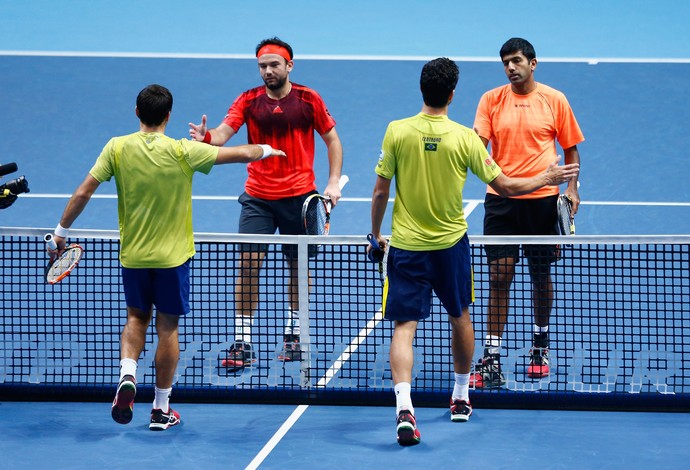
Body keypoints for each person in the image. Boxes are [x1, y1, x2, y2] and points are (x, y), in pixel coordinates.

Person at [48, 84, 285, 431]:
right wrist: (267, 148)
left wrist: (60, 231)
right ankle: (160, 408)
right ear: (168, 116)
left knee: (136, 319)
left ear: (136, 112)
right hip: (173, 259)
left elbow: (84, 190)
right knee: (167, 328)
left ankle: (128, 375)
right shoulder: (182, 151)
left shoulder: (117, 147)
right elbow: (241, 154)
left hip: (135, 256)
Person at [369, 58, 579, 446]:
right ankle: (461, 396)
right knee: (460, 317)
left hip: (406, 247)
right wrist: (549, 177)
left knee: (404, 328)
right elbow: (509, 187)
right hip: (450, 247)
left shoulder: (396, 131)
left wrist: (375, 234)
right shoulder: (465, 139)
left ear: (422, 89)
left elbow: (381, 190)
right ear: (451, 94)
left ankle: (404, 406)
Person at [189, 37, 344, 370]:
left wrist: (332, 181)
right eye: (263, 66)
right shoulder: (248, 100)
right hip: (258, 197)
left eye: (274, 65)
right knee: (248, 265)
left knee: (297, 268)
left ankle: (294, 335)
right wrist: (206, 137)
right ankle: (243, 341)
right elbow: (222, 134)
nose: (268, 71)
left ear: (290, 65)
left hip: (300, 197)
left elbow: (332, 139)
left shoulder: (308, 99)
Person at [471, 37, 585, 388]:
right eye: (505, 62)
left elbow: (571, 151)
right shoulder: (491, 100)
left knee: (539, 275)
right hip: (502, 200)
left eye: (517, 60)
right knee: (498, 277)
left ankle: (540, 343)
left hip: (542, 203)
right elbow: (478, 148)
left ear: (533, 63)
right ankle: (492, 355)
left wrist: (571, 189)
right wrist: (496, 173)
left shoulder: (555, 100)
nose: (510, 67)